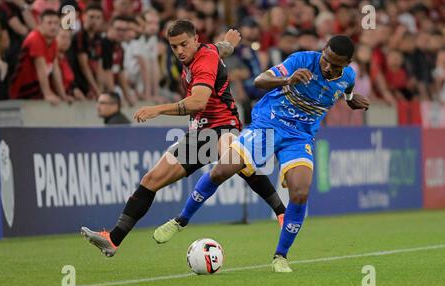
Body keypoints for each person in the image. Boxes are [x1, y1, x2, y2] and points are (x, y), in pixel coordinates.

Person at [153, 35, 370, 272]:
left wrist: (350, 100)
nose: (327, 67)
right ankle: (180, 220)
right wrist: (287, 79)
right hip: (269, 124)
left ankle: (281, 256)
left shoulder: (348, 77)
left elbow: (346, 89)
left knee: (300, 192)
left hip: (299, 137)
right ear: (323, 52)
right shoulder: (302, 60)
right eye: (326, 60)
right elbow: (260, 80)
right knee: (222, 170)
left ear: (347, 64)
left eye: (335, 65)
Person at [81, 20, 286, 257]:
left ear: (195, 40)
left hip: (223, 125)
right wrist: (229, 43)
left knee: (239, 162)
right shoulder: (204, 51)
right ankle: (113, 239)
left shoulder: (204, 60)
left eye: (183, 44)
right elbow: (220, 49)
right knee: (151, 179)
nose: (179, 51)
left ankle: (282, 212)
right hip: (199, 132)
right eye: (174, 46)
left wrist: (158, 109)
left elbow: (198, 102)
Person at [9, 9, 70, 104]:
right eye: (49, 23)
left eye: (56, 23)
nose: (53, 27)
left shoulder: (52, 41)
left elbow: (55, 69)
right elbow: (41, 68)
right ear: (40, 23)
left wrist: (63, 95)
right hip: (21, 90)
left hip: (35, 88)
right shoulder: (35, 38)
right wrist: (47, 94)